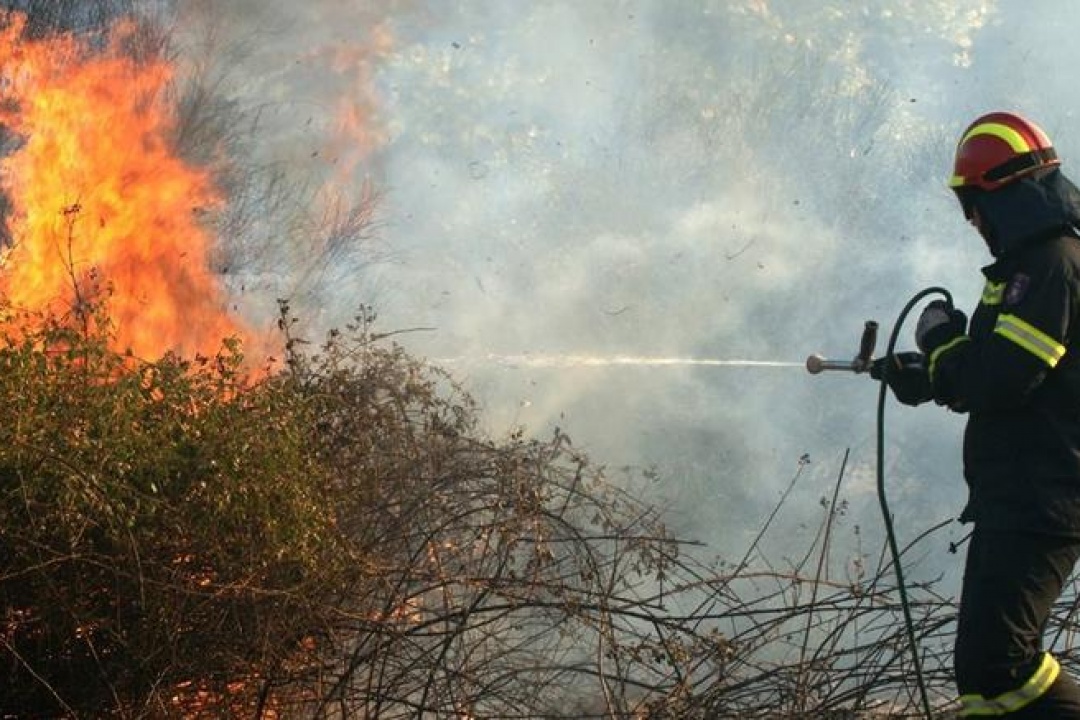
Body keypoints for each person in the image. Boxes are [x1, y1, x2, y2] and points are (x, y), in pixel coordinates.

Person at [881, 111, 1080, 717]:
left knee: (998, 670)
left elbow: (999, 380)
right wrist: (932, 374)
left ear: (1002, 195)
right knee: (990, 672)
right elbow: (997, 370)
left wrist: (944, 348)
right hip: (1024, 494)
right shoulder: (1035, 265)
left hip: (1043, 499)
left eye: (972, 205)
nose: (971, 221)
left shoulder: (1050, 265)